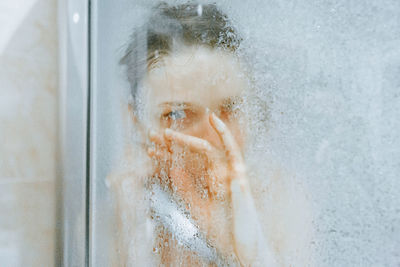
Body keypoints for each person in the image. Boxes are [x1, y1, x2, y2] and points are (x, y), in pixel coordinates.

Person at [110, 2, 313, 266]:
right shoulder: (112, 218)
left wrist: (241, 249)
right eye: (178, 115)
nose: (211, 139)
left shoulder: (282, 201)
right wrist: (132, 235)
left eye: (229, 110)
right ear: (135, 122)